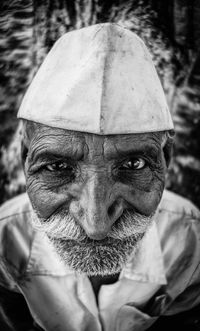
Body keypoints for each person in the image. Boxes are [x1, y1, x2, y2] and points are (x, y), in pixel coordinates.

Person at [0, 23, 200, 331]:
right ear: (24, 157)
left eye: (133, 164)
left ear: (166, 160)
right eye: (57, 168)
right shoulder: (4, 244)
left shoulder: (190, 239)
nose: (95, 226)